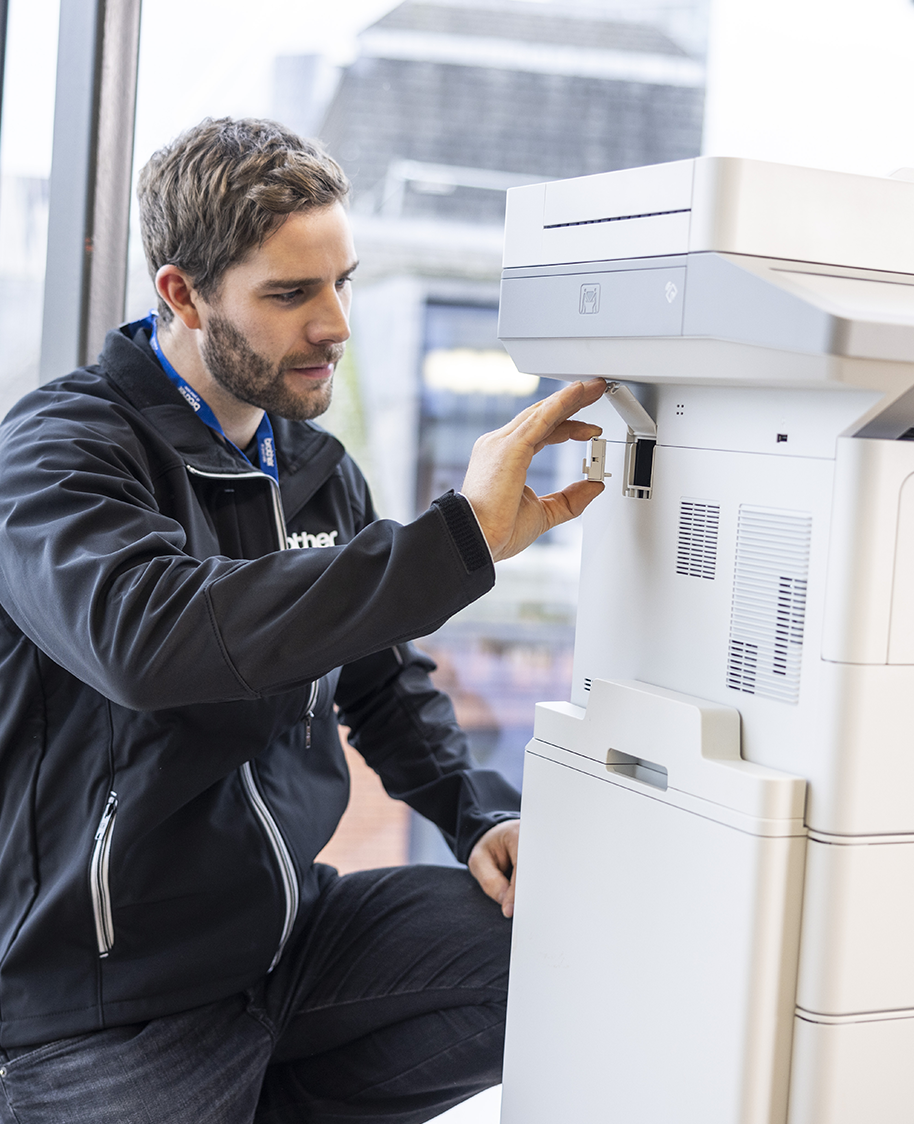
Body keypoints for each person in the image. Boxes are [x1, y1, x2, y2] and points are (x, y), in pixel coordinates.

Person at [0, 117, 606, 1124]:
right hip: (109, 1002)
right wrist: (452, 542)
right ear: (182, 295)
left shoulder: (317, 468)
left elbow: (378, 678)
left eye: (342, 282)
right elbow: (151, 637)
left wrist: (474, 813)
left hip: (288, 943)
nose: (334, 323)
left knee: (556, 944)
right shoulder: (60, 454)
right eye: (290, 294)